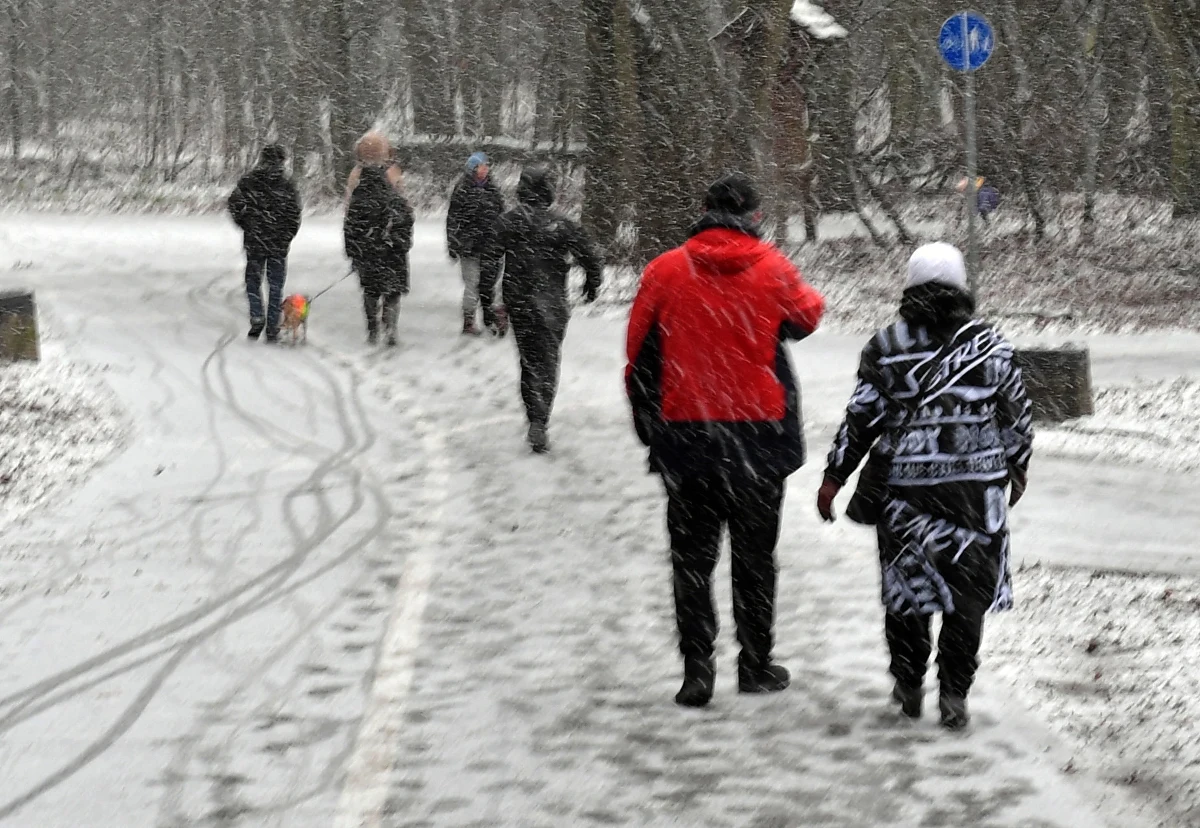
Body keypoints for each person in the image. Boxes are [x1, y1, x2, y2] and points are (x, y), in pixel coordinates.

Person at [624, 172, 825, 708]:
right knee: (755, 557)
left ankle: (697, 668)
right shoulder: (773, 269)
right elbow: (808, 317)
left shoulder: (666, 270)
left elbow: (638, 353)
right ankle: (755, 663)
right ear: (754, 216)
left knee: (691, 558)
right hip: (759, 435)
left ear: (703, 209)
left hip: (688, 433)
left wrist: (649, 423)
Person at [816, 242, 1034, 730]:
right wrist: (1016, 469)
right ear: (961, 287)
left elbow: (861, 418)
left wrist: (834, 476)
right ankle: (954, 694)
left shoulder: (886, 346)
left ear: (910, 288)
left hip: (905, 497)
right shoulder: (992, 346)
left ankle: (909, 684)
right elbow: (1017, 419)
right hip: (975, 495)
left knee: (908, 593)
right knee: (967, 599)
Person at [479, 166, 601, 453]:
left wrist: (487, 301)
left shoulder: (508, 222)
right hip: (552, 300)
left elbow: (489, 263)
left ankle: (534, 414)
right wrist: (592, 284)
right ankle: (540, 417)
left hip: (520, 299)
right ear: (548, 191)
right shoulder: (563, 225)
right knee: (548, 360)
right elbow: (590, 256)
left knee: (529, 360)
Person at [228, 144, 302, 342]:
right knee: (275, 285)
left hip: (255, 239)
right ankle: (272, 326)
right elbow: (295, 214)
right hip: (278, 242)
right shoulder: (287, 185)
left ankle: (256, 315)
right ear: (282, 161)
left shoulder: (249, 181)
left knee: (253, 281)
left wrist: (245, 223)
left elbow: (234, 204)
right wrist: (287, 235)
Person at [344, 157, 414, 348]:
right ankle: (390, 327)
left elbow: (350, 229)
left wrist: (354, 252)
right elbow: (406, 222)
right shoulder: (394, 198)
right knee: (392, 292)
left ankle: (373, 328)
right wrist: (400, 242)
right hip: (393, 254)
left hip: (368, 254)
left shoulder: (359, 200)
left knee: (371, 292)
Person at [447, 152, 505, 335]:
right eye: (481, 166)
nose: (485, 169)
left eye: (487, 166)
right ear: (472, 168)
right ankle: (469, 321)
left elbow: (502, 215)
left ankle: (491, 318)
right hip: (469, 246)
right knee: (472, 284)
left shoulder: (493, 190)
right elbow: (453, 218)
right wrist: (453, 243)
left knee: (489, 284)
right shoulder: (462, 190)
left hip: (491, 245)